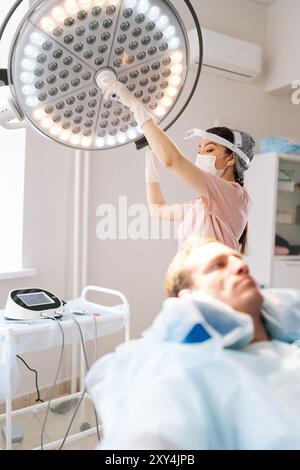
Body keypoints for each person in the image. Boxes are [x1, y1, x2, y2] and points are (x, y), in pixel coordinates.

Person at [86, 236, 300, 450]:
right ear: (189, 297)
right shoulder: (181, 367)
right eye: (219, 265)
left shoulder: (289, 342)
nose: (241, 265)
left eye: (238, 258)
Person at [103, 81, 255, 253]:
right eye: (200, 150)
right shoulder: (202, 206)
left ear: (231, 158)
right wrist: (150, 161)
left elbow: (172, 160)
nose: (202, 155)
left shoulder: (235, 196)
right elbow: (157, 208)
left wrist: (134, 105)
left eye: (210, 149)